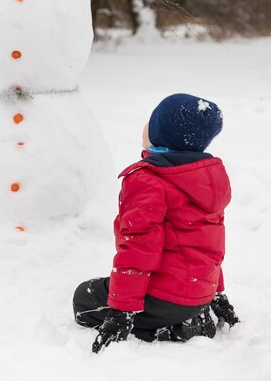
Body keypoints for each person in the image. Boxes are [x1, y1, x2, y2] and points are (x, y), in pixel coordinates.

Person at [73, 93, 240, 353]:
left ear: (161, 135)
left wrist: (121, 311)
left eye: (151, 123)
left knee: (84, 298)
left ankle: (167, 328)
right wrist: (216, 293)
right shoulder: (206, 178)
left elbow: (138, 249)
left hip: (164, 298)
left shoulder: (148, 181)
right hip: (198, 293)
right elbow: (208, 245)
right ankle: (191, 315)